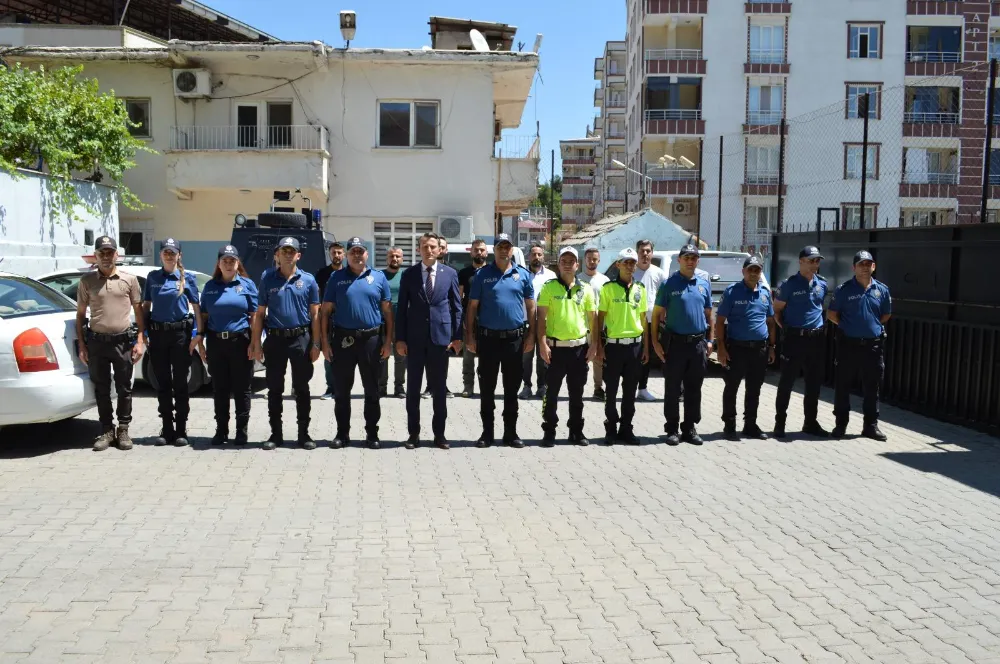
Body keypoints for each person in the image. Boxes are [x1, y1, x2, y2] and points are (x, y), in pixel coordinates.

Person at [321, 237, 394, 449]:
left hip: (371, 340)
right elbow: (325, 312)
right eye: (352, 251)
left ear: (366, 254)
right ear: (346, 255)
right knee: (342, 391)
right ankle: (342, 434)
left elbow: (388, 312)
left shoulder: (378, 277)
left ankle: (372, 434)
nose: (356, 255)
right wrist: (324, 342)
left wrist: (388, 342)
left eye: (360, 251)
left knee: (372, 390)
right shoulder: (336, 277)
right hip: (343, 340)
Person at [251, 236, 321, 450]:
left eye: (292, 251)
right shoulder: (267, 279)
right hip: (275, 340)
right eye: (284, 251)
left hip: (301, 339)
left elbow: (315, 314)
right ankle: (276, 434)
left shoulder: (308, 280)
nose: (288, 254)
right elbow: (259, 314)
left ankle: (303, 434)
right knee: (274, 389)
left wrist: (316, 343)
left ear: (298, 255)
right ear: (277, 255)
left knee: (302, 388)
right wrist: (256, 344)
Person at [76, 235, 146, 452]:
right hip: (97, 343)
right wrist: (82, 345)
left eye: (109, 252)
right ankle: (107, 430)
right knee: (102, 388)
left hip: (122, 343)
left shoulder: (129, 280)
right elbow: (80, 315)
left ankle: (123, 429)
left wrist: (140, 341)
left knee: (125, 388)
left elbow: (139, 313)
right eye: (102, 253)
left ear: (116, 255)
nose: (106, 257)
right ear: (95, 256)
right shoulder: (87, 281)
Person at [466, 233, 534, 448]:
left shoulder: (523, 275)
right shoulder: (482, 275)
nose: (504, 251)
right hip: (488, 341)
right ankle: (487, 433)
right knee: (487, 389)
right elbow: (472, 307)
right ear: (493, 250)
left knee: (511, 390)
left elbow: (531, 307)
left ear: (512, 249)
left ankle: (510, 433)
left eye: (507, 247)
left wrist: (531, 335)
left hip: (514, 340)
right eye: (500, 247)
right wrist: (470, 336)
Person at [396, 233, 463, 449]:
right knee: (413, 390)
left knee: (439, 390)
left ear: (440, 250)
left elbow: (456, 307)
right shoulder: (409, 274)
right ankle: (413, 434)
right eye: (425, 246)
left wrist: (457, 337)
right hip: (414, 340)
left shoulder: (450, 274)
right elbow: (401, 309)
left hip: (440, 340)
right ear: (419, 250)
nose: (429, 250)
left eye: (433, 246)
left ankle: (439, 435)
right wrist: (400, 339)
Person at [142, 238, 203, 447]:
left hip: (179, 336)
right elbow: (146, 306)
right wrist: (143, 332)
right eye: (165, 252)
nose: (169, 256)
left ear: (179, 255)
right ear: (160, 255)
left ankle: (181, 429)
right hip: (157, 335)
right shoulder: (153, 277)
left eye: (173, 252)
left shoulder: (188, 278)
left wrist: (199, 334)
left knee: (180, 384)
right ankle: (167, 428)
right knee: (163, 384)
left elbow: (196, 308)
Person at [651, 244, 714, 446]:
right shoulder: (668, 284)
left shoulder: (703, 284)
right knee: (672, 388)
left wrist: (710, 341)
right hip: (675, 344)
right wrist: (655, 342)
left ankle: (689, 428)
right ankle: (672, 429)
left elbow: (709, 314)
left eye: (693, 258)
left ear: (697, 261)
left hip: (697, 345)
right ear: (679, 260)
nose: (690, 261)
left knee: (694, 388)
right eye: (686, 257)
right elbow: (656, 314)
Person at [537, 247, 598, 446]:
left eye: (571, 261)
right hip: (555, 350)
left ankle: (576, 431)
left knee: (577, 394)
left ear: (577, 265)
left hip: (579, 350)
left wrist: (594, 345)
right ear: (558, 263)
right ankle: (549, 431)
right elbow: (541, 318)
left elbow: (593, 320)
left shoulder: (585, 289)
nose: (567, 264)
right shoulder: (549, 287)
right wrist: (542, 344)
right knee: (551, 393)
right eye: (564, 260)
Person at [828, 250, 892, 441]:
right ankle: (841, 425)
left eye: (868, 264)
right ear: (853, 267)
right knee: (843, 385)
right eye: (861, 264)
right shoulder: (843, 289)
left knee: (872, 387)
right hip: (848, 344)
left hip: (873, 346)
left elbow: (885, 315)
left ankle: (870, 426)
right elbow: (832, 314)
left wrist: (870, 327)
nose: (865, 267)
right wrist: (850, 326)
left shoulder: (882, 290)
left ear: (873, 267)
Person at [198, 245, 258, 446]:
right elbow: (204, 316)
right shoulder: (210, 287)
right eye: (225, 260)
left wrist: (254, 342)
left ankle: (241, 431)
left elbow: (255, 316)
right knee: (220, 389)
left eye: (232, 260)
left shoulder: (247, 285)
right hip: (216, 342)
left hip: (240, 342)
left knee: (242, 389)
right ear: (219, 263)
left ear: (238, 263)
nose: (229, 264)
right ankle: (221, 431)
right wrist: (201, 342)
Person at [715, 255, 776, 441]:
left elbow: (771, 322)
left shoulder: (765, 293)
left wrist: (772, 347)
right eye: (750, 269)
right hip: (737, 349)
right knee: (731, 387)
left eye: (757, 270)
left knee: (754, 389)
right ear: (743, 271)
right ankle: (729, 425)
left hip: (759, 349)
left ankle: (750, 425)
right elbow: (720, 321)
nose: (753, 273)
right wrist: (721, 348)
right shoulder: (732, 291)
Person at [773, 246, 829, 439]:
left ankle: (810, 423)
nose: (815, 264)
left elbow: (819, 308)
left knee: (814, 383)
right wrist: (788, 330)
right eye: (811, 260)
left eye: (817, 260)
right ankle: (780, 423)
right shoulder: (789, 285)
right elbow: (777, 311)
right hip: (794, 339)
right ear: (801, 261)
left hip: (816, 340)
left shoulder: (822, 284)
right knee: (787, 382)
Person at [596, 248, 649, 445]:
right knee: (611, 391)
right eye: (625, 262)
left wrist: (646, 348)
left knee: (630, 392)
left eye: (632, 263)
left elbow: (643, 320)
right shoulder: (608, 288)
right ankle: (611, 428)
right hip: (614, 347)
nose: (629, 266)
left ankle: (626, 428)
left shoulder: (640, 289)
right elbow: (600, 319)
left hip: (635, 347)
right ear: (618, 264)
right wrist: (599, 346)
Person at [520, 242, 556, 399]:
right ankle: (526, 386)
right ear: (529, 256)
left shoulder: (551, 276)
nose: (536, 257)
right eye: (534, 254)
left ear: (543, 257)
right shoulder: (522, 274)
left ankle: (542, 386)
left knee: (543, 356)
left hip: (544, 322)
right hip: (526, 322)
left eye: (539, 254)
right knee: (526, 356)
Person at [634, 239, 666, 402]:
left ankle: (643, 389)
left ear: (652, 253)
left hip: (654, 321)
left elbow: (665, 298)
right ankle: (632, 388)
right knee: (637, 354)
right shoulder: (631, 271)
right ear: (637, 253)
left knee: (651, 355)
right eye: (642, 251)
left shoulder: (659, 273)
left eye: (648, 251)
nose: (645, 254)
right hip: (634, 321)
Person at [577, 247, 610, 400]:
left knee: (598, 358)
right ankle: (577, 388)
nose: (592, 261)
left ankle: (598, 388)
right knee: (581, 359)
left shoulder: (605, 281)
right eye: (589, 258)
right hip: (582, 326)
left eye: (595, 259)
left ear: (599, 260)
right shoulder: (577, 279)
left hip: (599, 325)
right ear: (584, 260)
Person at [457, 239, 488, 397]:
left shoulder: (491, 271)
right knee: (468, 354)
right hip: (469, 318)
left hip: (488, 319)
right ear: (471, 252)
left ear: (486, 253)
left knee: (486, 356)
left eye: (482, 250)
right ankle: (468, 386)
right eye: (476, 250)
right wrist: (462, 319)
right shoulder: (464, 273)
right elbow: (459, 298)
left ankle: (485, 386)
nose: (479, 252)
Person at [314, 242, 344, 400]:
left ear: (343, 254)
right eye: (334, 253)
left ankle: (342, 387)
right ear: (329, 254)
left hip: (345, 318)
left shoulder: (348, 273)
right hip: (327, 319)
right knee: (328, 353)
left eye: (339, 252)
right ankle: (331, 387)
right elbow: (316, 296)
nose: (336, 255)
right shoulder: (322, 273)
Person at [379, 247, 407, 398]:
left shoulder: (406, 276)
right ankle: (381, 387)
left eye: (397, 256)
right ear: (387, 258)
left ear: (402, 259)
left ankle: (399, 387)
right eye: (391, 256)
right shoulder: (379, 276)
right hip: (382, 322)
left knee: (400, 357)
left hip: (401, 322)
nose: (394, 259)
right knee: (382, 355)